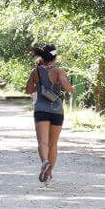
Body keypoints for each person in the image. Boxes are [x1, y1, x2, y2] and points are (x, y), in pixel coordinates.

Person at [25, 44, 75, 184]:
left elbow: (28, 90)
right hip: (56, 110)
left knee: (43, 142)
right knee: (53, 144)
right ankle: (49, 171)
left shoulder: (36, 71)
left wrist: (40, 86)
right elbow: (65, 85)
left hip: (41, 109)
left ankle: (45, 162)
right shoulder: (59, 71)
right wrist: (72, 89)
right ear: (55, 57)